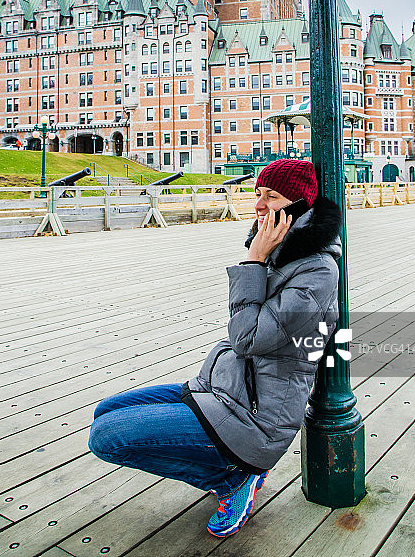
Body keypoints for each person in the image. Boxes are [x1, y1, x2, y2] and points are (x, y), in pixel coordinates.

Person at [88, 159, 342, 538]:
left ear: (299, 207)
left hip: (255, 419)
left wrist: (252, 261)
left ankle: (233, 478)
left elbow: (248, 338)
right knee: (105, 410)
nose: (258, 205)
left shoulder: (316, 271)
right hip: (220, 390)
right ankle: (226, 470)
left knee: (107, 438)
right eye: (258, 194)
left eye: (271, 197)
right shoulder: (280, 253)